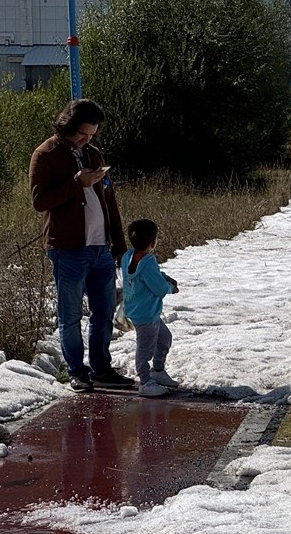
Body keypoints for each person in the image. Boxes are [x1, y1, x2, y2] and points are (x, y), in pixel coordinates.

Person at [30, 99, 134, 391]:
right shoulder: (45, 154)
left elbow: (110, 201)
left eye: (92, 135)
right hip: (68, 248)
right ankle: (77, 371)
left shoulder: (93, 153)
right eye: (82, 134)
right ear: (67, 126)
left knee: (103, 313)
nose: (87, 140)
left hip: (102, 247)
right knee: (71, 314)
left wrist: (120, 246)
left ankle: (102, 369)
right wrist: (78, 182)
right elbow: (40, 201)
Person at [120, 219, 180, 398]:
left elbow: (151, 277)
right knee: (144, 349)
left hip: (142, 311)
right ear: (153, 242)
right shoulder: (148, 262)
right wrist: (170, 287)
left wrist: (163, 276)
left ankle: (158, 371)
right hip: (146, 315)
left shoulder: (127, 257)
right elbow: (159, 289)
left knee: (164, 339)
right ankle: (145, 382)